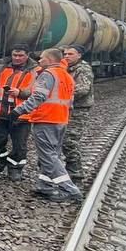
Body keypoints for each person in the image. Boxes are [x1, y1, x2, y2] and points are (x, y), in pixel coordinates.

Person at [15, 48, 82, 202]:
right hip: (61, 120)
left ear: (51, 60)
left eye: (42, 58)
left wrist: (18, 110)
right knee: (54, 153)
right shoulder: (66, 75)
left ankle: (70, 190)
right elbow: (70, 102)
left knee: (48, 157)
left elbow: (38, 96)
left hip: (46, 119)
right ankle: (45, 186)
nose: (39, 61)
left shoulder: (48, 74)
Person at [0, 45, 37, 181]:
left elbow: (39, 90)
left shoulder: (35, 70)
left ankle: (15, 169)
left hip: (21, 114)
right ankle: (2, 159)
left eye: (20, 55)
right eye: (14, 55)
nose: (17, 58)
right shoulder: (0, 66)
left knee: (20, 144)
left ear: (27, 55)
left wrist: (21, 93)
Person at [62, 44, 94, 182]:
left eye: (70, 54)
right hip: (65, 108)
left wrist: (61, 95)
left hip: (78, 110)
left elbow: (82, 89)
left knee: (69, 141)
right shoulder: (66, 68)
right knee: (62, 140)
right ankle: (69, 171)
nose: (66, 56)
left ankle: (75, 173)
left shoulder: (83, 69)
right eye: (65, 54)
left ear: (79, 55)